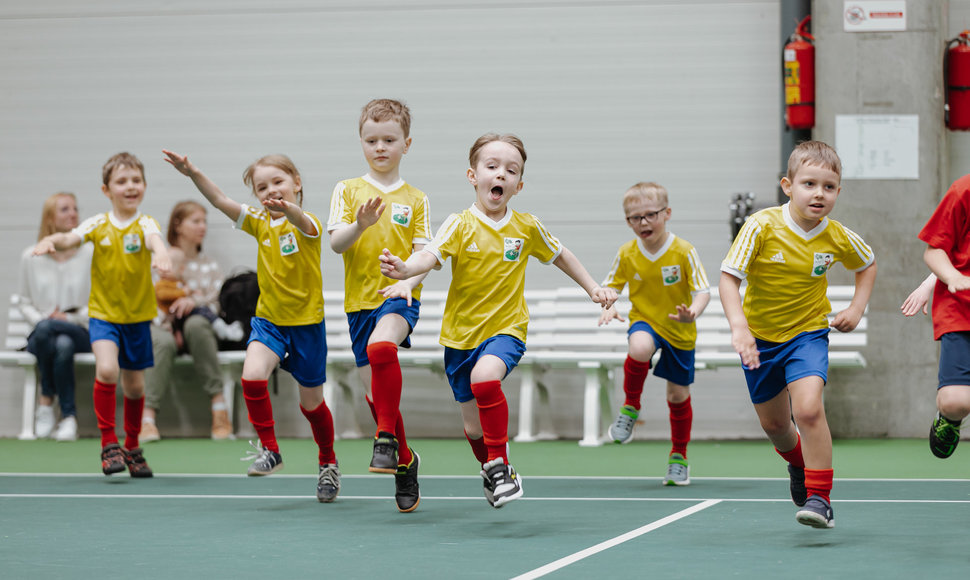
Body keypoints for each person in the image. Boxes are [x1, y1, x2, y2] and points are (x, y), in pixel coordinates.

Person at [380, 133, 617, 508]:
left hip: (506, 330)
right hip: (459, 339)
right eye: (492, 167)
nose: (501, 175)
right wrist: (405, 272)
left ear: (518, 185)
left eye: (511, 170)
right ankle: (492, 467)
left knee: (485, 379)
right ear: (473, 176)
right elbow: (429, 256)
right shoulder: (459, 224)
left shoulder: (526, 227)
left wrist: (593, 288)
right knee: (474, 428)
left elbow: (561, 255)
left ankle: (500, 467)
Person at [162, 149, 341, 503]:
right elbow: (219, 199)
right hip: (269, 322)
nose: (271, 191)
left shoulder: (310, 224)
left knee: (311, 405)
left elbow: (304, 223)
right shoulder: (259, 223)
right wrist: (192, 172)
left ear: (297, 183)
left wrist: (291, 210)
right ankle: (270, 450)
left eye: (278, 182)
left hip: (306, 326)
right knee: (252, 375)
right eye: (262, 187)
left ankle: (327, 460)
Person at [719, 141, 876, 529]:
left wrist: (856, 309)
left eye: (828, 186)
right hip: (759, 339)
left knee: (807, 409)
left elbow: (867, 264)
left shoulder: (836, 236)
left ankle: (820, 498)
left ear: (838, 192)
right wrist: (740, 329)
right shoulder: (761, 226)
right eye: (809, 184)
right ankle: (798, 465)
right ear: (788, 186)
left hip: (807, 335)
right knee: (775, 426)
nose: (818, 194)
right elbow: (728, 279)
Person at [33, 152, 172, 477]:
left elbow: (155, 240)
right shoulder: (99, 223)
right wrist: (51, 240)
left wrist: (162, 253)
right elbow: (70, 238)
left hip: (137, 319)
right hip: (104, 317)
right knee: (107, 370)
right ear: (106, 190)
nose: (130, 186)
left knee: (136, 387)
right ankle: (109, 444)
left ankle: (133, 446)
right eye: (121, 181)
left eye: (135, 180)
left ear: (144, 186)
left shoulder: (146, 223)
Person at [327, 99, 429, 513]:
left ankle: (384, 439)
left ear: (407, 143)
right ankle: (405, 460)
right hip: (359, 304)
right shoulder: (347, 190)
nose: (380, 147)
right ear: (362, 142)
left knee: (382, 347)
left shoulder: (416, 198)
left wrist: (409, 283)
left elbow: (426, 255)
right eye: (372, 140)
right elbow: (336, 243)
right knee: (376, 397)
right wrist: (361, 224)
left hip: (399, 298)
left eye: (389, 139)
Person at [598, 182, 711, 485]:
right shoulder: (627, 253)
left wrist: (693, 313)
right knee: (639, 347)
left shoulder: (684, 251)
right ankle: (631, 406)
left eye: (650, 215)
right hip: (645, 320)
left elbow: (703, 290)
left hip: (679, 329)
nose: (644, 222)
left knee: (677, 395)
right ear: (628, 221)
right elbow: (611, 286)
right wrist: (608, 304)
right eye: (636, 217)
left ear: (667, 213)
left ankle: (679, 456)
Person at [140, 200, 241, 443]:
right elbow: (151, 297)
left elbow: (217, 303)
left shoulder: (209, 265)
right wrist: (172, 310)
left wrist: (193, 303)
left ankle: (219, 410)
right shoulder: (161, 260)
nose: (202, 227)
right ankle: (147, 420)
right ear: (178, 225)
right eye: (196, 221)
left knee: (197, 325)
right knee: (162, 343)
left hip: (198, 331)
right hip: (161, 325)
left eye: (204, 221)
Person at [900, 174, 970, 459]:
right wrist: (948, 277)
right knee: (955, 402)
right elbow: (938, 249)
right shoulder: (963, 190)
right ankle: (949, 418)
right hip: (961, 311)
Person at [17, 192, 93, 441]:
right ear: (50, 218)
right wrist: (44, 321)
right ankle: (69, 418)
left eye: (75, 208)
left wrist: (68, 319)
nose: (73, 213)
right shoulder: (31, 256)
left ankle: (46, 401)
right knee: (61, 344)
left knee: (59, 335)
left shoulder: (90, 253)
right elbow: (24, 302)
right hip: (44, 331)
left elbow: (97, 302)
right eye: (65, 209)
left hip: (80, 329)